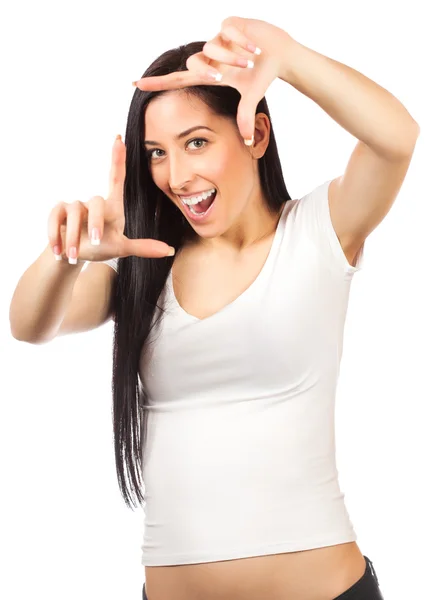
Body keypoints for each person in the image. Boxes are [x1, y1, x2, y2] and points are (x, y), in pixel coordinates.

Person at [10, 15, 419, 600]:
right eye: (156, 152)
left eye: (196, 141)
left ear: (255, 133)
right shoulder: (145, 267)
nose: (177, 176)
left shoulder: (318, 232)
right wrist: (68, 254)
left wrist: (289, 57)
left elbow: (397, 136)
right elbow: (28, 323)